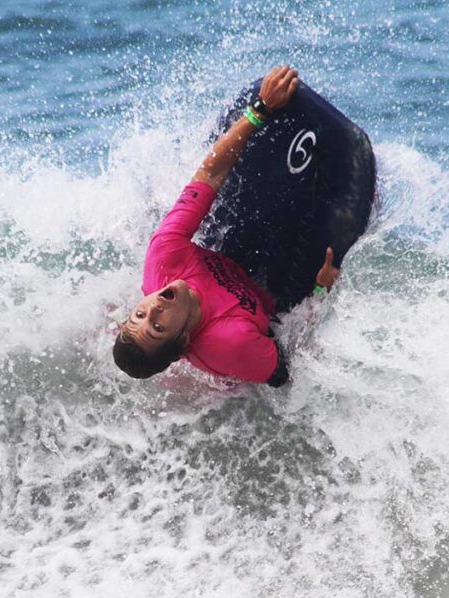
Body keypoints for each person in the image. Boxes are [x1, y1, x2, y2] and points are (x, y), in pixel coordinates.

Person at [113, 65, 370, 387]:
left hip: (233, 259)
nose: (153, 309)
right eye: (158, 327)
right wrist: (321, 293)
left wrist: (259, 110)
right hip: (272, 298)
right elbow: (287, 368)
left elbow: (209, 175)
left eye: (139, 314)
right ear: (183, 340)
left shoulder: (164, 258)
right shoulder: (231, 342)